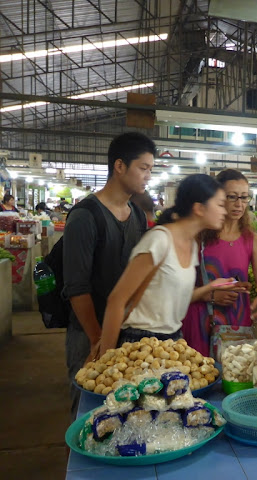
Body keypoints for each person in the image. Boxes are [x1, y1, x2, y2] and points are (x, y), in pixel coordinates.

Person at [98, 174, 248, 357]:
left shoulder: (192, 245)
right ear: (199, 208)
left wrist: (209, 288)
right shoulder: (159, 240)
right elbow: (117, 300)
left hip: (173, 341)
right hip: (140, 343)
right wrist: (105, 358)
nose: (224, 211)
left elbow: (174, 299)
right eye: (219, 204)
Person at [63, 132, 155, 414]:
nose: (148, 176)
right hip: (88, 332)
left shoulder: (138, 215)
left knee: (123, 413)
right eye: (143, 168)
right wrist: (98, 339)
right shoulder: (85, 216)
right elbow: (77, 287)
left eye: (151, 169)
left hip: (126, 331)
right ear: (119, 166)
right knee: (88, 412)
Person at [182, 169, 257, 357]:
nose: (239, 204)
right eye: (232, 197)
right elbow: (176, 289)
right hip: (200, 319)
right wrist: (208, 295)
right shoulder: (198, 237)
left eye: (244, 197)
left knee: (234, 376)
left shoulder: (252, 240)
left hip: (237, 322)